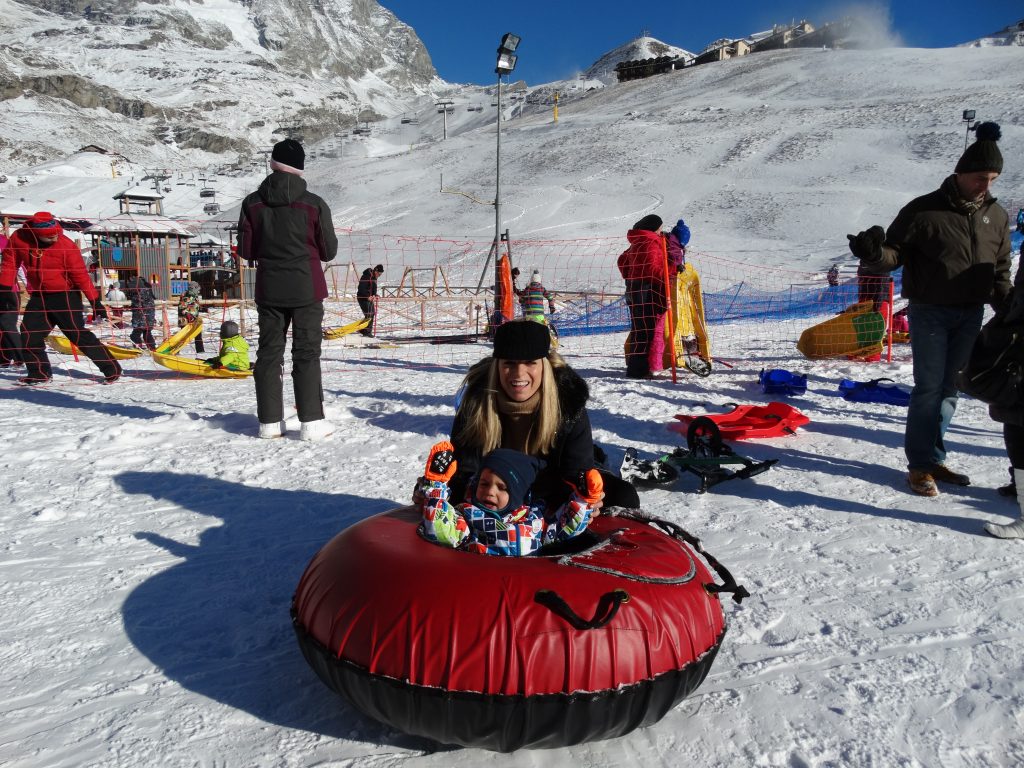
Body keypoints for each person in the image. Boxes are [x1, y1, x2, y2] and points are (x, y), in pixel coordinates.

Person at [847, 121, 1011, 497]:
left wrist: (1008, 308)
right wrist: (873, 253)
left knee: (951, 388)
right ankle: (920, 465)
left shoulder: (996, 216)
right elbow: (894, 254)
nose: (986, 186)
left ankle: (934, 457)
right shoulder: (924, 210)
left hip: (971, 312)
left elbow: (1000, 269)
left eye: (992, 178)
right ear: (961, 173)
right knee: (928, 388)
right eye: (980, 178)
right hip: (930, 310)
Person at [445, 319, 640, 512]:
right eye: (509, 363)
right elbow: (463, 471)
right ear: (497, 365)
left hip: (552, 485)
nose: (519, 374)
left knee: (623, 495)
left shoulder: (568, 404)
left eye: (530, 363)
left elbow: (577, 472)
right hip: (495, 489)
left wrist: (585, 500)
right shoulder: (476, 402)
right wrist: (437, 491)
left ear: (544, 365)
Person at [238, 138, 338, 441]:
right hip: (307, 287)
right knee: (306, 353)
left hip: (269, 289)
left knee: (269, 353)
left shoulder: (252, 203)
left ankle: (269, 423)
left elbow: (245, 249)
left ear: (273, 164)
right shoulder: (314, 203)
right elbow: (328, 250)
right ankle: (311, 422)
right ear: (301, 168)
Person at [0, 212, 120, 385]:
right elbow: (10, 263)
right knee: (29, 335)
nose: (55, 237)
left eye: (56, 233)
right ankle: (39, 373)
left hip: (66, 296)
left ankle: (111, 369)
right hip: (39, 296)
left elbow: (81, 275)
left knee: (77, 334)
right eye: (50, 236)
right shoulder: (19, 238)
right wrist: (4, 289)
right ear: (37, 233)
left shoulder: (66, 245)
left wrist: (95, 301)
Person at [418, 442, 599, 556]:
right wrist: (435, 485)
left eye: (502, 488)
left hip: (521, 589)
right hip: (480, 582)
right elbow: (440, 528)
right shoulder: (468, 517)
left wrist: (583, 500)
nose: (490, 492)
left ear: (519, 495)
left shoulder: (534, 522)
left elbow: (563, 528)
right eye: (484, 483)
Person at [617, 214, 667, 379]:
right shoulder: (650, 243)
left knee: (639, 330)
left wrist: (629, 275)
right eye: (660, 227)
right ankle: (638, 371)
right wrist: (672, 271)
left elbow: (622, 260)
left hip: (634, 290)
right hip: (645, 291)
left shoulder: (638, 242)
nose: (661, 230)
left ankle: (638, 368)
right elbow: (653, 269)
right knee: (646, 331)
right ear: (653, 228)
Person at [0, 233, 24, 368]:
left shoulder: (6, 242)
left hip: (8, 290)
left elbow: (20, 266)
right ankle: (3, 358)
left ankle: (20, 357)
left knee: (7, 324)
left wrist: (32, 288)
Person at [124, 273, 157, 350]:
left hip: (140, 319)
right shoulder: (148, 293)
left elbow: (136, 306)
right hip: (149, 319)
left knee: (135, 334)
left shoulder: (138, 294)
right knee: (147, 333)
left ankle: (138, 347)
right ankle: (152, 347)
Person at [176, 280, 206, 353]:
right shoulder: (187, 296)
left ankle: (200, 351)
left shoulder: (194, 296)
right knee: (184, 336)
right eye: (197, 289)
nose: (198, 291)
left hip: (194, 318)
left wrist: (203, 309)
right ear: (194, 288)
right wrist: (187, 314)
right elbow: (181, 307)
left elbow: (195, 306)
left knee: (198, 334)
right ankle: (176, 349)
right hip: (185, 320)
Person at [356, 263, 383, 337]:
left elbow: (373, 289)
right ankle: (366, 332)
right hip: (362, 298)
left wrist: (375, 295)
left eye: (380, 274)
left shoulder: (374, 278)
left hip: (369, 298)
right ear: (375, 271)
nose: (379, 276)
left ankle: (363, 330)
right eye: (379, 274)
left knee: (372, 313)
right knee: (369, 314)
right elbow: (361, 289)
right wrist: (367, 296)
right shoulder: (366, 277)